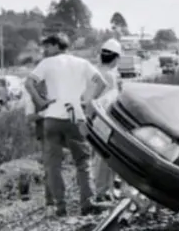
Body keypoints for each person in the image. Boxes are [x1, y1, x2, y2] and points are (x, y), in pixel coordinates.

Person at [25, 33, 108, 217]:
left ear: (56, 45)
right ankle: (87, 203)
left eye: (47, 46)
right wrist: (87, 103)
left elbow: (29, 83)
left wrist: (40, 101)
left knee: (53, 165)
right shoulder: (82, 63)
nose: (45, 50)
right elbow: (102, 83)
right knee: (83, 162)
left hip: (52, 117)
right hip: (75, 116)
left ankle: (59, 206)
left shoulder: (47, 63)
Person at [87, 38, 124, 199]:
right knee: (105, 157)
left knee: (99, 156)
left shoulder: (95, 72)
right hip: (104, 120)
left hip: (92, 118)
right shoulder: (110, 76)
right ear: (116, 58)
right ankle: (102, 191)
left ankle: (105, 189)